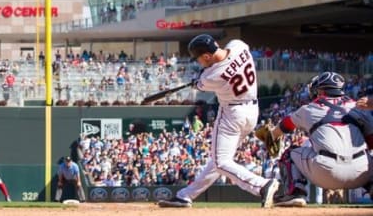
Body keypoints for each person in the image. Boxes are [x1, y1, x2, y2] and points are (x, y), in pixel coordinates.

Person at [158, 34, 279, 208]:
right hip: (252, 111)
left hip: (232, 113)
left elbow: (201, 82)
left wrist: (196, 81)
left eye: (200, 59)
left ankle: (261, 185)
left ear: (207, 56)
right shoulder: (238, 45)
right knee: (221, 160)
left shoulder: (211, 76)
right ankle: (185, 196)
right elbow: (224, 59)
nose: (199, 62)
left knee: (220, 162)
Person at [269, 72, 373, 207]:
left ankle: (296, 193)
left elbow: (283, 127)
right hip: (360, 175)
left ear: (321, 90)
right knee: (366, 157)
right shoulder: (360, 108)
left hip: (325, 173)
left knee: (289, 153)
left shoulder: (308, 109)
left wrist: (270, 135)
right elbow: (371, 143)